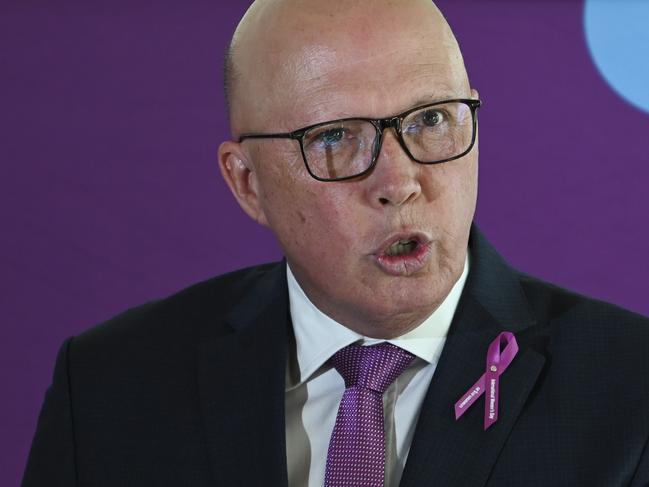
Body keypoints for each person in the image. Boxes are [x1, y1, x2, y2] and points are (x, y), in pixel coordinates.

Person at [22, 0, 649, 486]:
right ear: (248, 184)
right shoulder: (109, 389)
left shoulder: (631, 387)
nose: (400, 181)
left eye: (431, 120)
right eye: (333, 138)